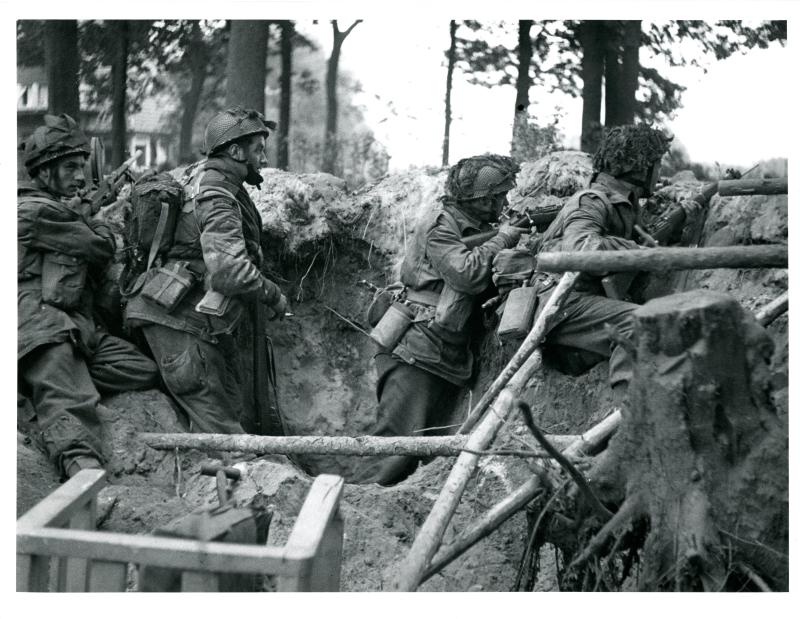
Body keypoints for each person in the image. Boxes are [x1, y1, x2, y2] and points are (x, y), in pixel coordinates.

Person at [353, 155, 525, 485]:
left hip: (442, 352)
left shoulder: (476, 228)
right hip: (416, 350)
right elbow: (466, 274)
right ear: (484, 198)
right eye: (499, 196)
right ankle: (352, 511)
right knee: (392, 450)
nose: (504, 202)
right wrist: (503, 238)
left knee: (420, 452)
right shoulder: (442, 226)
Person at [125, 107, 288, 434]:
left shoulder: (219, 182)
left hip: (193, 324)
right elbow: (229, 270)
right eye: (258, 149)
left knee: (234, 417)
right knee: (223, 438)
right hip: (178, 325)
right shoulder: (215, 189)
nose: (264, 159)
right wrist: (273, 295)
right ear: (235, 151)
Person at [18, 113, 158, 478]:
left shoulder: (59, 209)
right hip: (40, 327)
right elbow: (98, 246)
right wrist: (95, 218)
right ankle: (82, 474)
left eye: (82, 167)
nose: (80, 177)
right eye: (70, 167)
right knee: (72, 405)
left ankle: (35, 386)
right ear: (44, 171)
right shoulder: (32, 211)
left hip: (76, 327)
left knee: (140, 368)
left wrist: (83, 211)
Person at [530, 124, 700, 402]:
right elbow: (580, 249)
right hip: (561, 301)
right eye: (656, 164)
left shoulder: (625, 204)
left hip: (582, 302)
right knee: (640, 323)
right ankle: (628, 417)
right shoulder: (590, 201)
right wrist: (635, 249)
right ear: (639, 167)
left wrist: (681, 226)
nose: (659, 172)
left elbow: (639, 247)